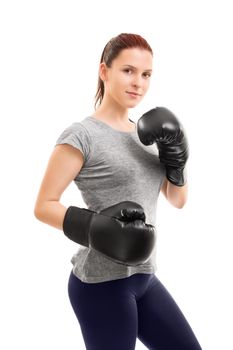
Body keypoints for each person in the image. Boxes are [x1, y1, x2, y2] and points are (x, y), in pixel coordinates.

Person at [34, 33, 202, 350]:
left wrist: (177, 161)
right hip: (100, 283)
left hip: (145, 276)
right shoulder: (82, 135)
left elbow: (178, 200)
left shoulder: (149, 134)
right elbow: (43, 205)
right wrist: (98, 228)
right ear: (104, 71)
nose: (138, 82)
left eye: (146, 74)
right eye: (128, 70)